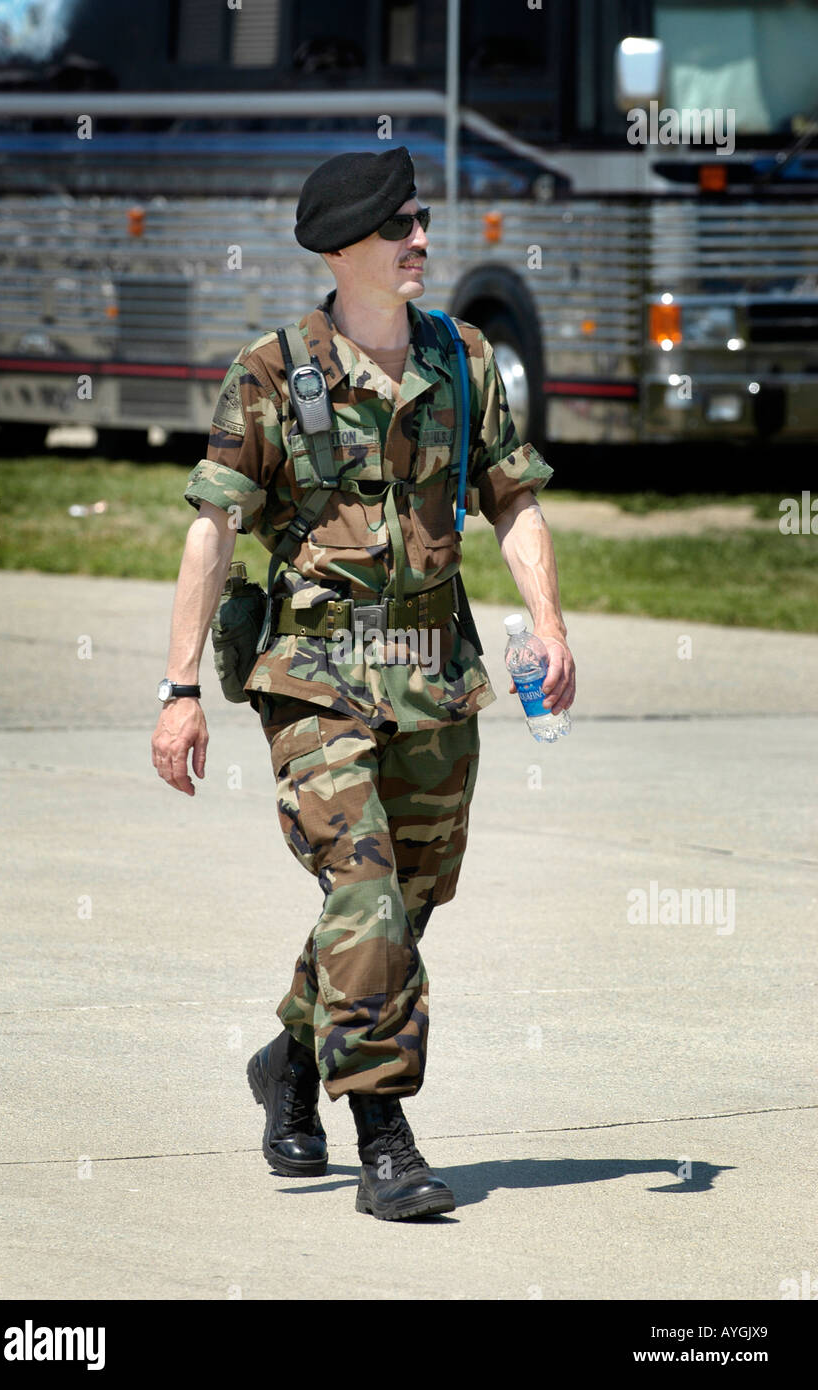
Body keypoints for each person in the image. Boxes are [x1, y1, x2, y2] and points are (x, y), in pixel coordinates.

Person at [151, 146, 575, 1221]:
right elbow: (213, 531)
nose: (422, 239)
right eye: (400, 227)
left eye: (422, 220)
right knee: (368, 889)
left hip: (436, 672)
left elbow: (513, 501)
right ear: (345, 248)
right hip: (315, 671)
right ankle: (384, 1136)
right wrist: (180, 689)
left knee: (406, 902)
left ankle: (288, 1061)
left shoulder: (465, 359)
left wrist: (553, 627)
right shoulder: (269, 371)